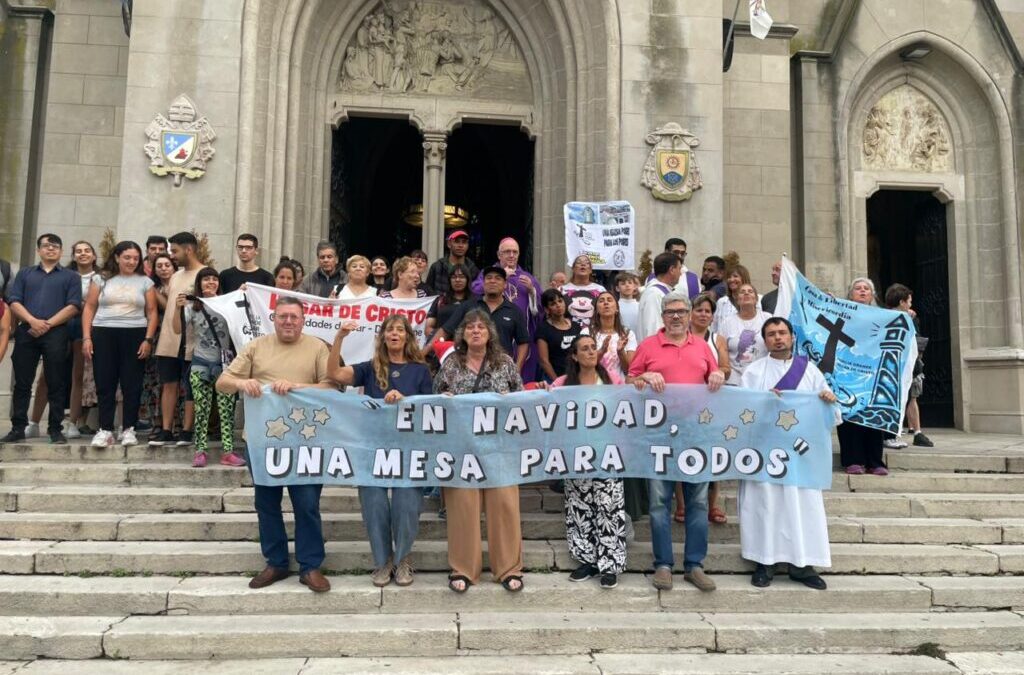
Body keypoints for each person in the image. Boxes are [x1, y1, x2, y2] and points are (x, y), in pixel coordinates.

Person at [216, 296, 333, 593]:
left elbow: (331, 387)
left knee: (306, 503)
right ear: (274, 318)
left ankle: (310, 566)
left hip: (305, 441)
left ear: (303, 319)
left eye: (294, 317)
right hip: (262, 442)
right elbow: (222, 382)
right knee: (266, 502)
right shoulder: (256, 347)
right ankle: (276, 562)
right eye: (283, 317)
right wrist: (243, 383)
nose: (289, 322)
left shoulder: (317, 347)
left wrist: (297, 387)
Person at [628, 292, 724, 592]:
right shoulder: (647, 346)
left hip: (697, 434)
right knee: (659, 502)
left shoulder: (702, 347)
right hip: (659, 436)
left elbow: (715, 374)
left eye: (682, 311)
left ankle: (694, 564)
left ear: (690, 314)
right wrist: (645, 375)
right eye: (671, 312)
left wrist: (719, 374)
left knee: (697, 501)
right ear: (662, 315)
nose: (677, 317)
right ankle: (664, 564)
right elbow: (630, 381)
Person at [329, 315, 432, 587]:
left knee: (406, 504)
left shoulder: (420, 370)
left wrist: (406, 400)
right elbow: (335, 375)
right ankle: (383, 561)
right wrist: (339, 338)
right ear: (383, 337)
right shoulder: (370, 367)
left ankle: (403, 559)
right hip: (372, 447)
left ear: (408, 337)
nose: (395, 334)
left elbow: (429, 409)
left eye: (400, 330)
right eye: (390, 330)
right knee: (373, 504)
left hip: (408, 448)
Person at [739, 317, 838, 590]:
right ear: (765, 340)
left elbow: (829, 412)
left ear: (792, 337)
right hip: (766, 449)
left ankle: (802, 564)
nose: (778, 338)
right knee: (765, 504)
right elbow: (743, 413)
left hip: (800, 451)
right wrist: (763, 401)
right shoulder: (754, 372)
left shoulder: (811, 372)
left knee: (802, 504)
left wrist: (828, 400)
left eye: (782, 332)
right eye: (771, 334)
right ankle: (764, 561)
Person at [434, 309, 525, 593]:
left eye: (481, 327)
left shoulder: (506, 363)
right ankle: (463, 569)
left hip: (500, 448)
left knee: (505, 507)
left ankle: (509, 569)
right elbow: (435, 399)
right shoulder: (451, 364)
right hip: (462, 448)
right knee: (463, 507)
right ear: (462, 333)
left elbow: (522, 399)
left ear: (489, 333)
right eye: (470, 327)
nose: (475, 331)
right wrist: (444, 398)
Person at [552, 334, 626, 589]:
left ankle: (610, 565)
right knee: (579, 507)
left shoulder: (611, 381)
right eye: (584, 349)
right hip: (576, 455)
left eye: (593, 347)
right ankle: (587, 560)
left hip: (607, 454)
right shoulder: (562, 384)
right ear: (574, 356)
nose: (591, 352)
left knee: (609, 507)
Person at [3, 234, 82, 444]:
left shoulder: (71, 277)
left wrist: (46, 324)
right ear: (39, 250)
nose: (51, 249)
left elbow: (73, 306)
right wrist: (32, 321)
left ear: (61, 251)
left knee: (56, 382)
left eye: (55, 246)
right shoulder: (25, 274)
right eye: (46, 246)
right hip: (27, 331)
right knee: (22, 382)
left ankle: (55, 429)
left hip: (56, 333)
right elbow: (14, 301)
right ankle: (18, 427)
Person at [81, 240, 158, 448]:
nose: (131, 261)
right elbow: (89, 307)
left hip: (135, 333)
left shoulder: (145, 282)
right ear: (116, 257)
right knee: (105, 382)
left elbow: (151, 312)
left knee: (131, 384)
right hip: (103, 333)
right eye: (127, 257)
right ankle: (105, 429)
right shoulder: (101, 278)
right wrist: (87, 337)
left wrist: (148, 339)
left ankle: (128, 429)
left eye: (135, 258)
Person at [172, 267, 244, 468]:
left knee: (226, 410)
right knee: (202, 410)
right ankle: (200, 451)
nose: (211, 282)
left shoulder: (227, 304)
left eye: (214, 279)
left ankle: (228, 452)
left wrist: (244, 294)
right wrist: (177, 308)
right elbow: (177, 330)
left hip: (225, 366)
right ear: (199, 284)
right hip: (200, 363)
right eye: (206, 280)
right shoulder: (192, 306)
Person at [150, 231, 203, 446]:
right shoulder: (175, 276)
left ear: (188, 249)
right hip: (169, 338)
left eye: (175, 250)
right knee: (168, 383)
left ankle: (187, 430)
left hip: (193, 340)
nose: (172, 255)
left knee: (191, 385)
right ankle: (166, 428)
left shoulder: (204, 274)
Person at [471, 238, 543, 379]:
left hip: (519, 334)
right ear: (499, 255)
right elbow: (475, 289)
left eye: (515, 252)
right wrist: (500, 276)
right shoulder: (488, 274)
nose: (511, 255)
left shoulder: (527, 278)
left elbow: (539, 310)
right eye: (507, 252)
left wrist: (532, 291)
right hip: (496, 330)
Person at [838, 277, 887, 476]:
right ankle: (853, 460)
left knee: (874, 416)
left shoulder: (882, 316)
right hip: (847, 372)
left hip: (873, 374)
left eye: (867, 288)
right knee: (850, 416)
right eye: (858, 288)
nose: (862, 291)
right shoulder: (841, 314)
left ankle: (875, 462)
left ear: (872, 295)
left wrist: (905, 316)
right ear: (850, 294)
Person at [438, 266, 529, 368]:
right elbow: (446, 330)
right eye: (489, 278)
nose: (492, 281)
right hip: (469, 367)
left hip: (501, 369)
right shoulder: (469, 306)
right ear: (484, 283)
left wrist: (517, 368)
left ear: (505, 285)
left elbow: (523, 342)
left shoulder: (514, 311)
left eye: (498, 278)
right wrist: (423, 354)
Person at [884, 283, 932, 448]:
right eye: (909, 301)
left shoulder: (911, 318)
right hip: (894, 366)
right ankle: (893, 433)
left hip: (910, 366)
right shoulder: (884, 316)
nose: (911, 304)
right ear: (902, 302)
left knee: (912, 396)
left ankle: (916, 431)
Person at [65, 241, 100, 439]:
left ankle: (76, 421)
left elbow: (96, 304)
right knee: (47, 375)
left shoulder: (101, 278)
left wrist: (83, 305)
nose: (83, 254)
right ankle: (35, 421)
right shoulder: (66, 276)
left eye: (87, 250)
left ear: (94, 256)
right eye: (78, 251)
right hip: (63, 325)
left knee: (81, 375)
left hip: (87, 328)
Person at [718, 283, 771, 385]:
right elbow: (721, 349)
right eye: (742, 292)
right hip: (734, 381)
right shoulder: (727, 322)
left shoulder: (768, 318)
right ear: (737, 300)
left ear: (756, 299)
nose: (746, 293)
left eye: (750, 291)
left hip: (761, 378)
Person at [536, 288, 584, 381]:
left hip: (576, 377)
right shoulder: (543, 329)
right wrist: (557, 381)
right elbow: (543, 360)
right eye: (553, 304)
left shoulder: (576, 326)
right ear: (546, 309)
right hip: (553, 378)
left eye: (560, 301)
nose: (558, 305)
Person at [636, 251, 681, 342]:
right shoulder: (654, 294)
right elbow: (653, 329)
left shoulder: (660, 292)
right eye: (679, 269)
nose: (681, 273)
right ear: (672, 270)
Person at [712, 262, 762, 333]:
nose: (731, 280)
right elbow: (714, 328)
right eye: (729, 277)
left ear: (744, 278)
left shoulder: (759, 299)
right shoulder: (722, 302)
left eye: (735, 276)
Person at [426, 263, 474, 337]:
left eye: (461, 277)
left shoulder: (475, 302)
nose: (457, 280)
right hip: (442, 345)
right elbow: (428, 329)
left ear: (467, 279)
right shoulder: (440, 301)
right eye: (454, 277)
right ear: (449, 280)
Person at [426, 230, 479, 295]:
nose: (461, 245)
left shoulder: (473, 269)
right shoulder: (437, 267)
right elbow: (428, 291)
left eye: (464, 242)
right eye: (457, 241)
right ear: (449, 244)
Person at [561, 255, 605, 329]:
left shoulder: (600, 290)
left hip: (593, 333)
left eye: (587, 263)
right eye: (579, 262)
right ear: (573, 268)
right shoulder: (562, 289)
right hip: (568, 332)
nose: (583, 264)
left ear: (591, 270)